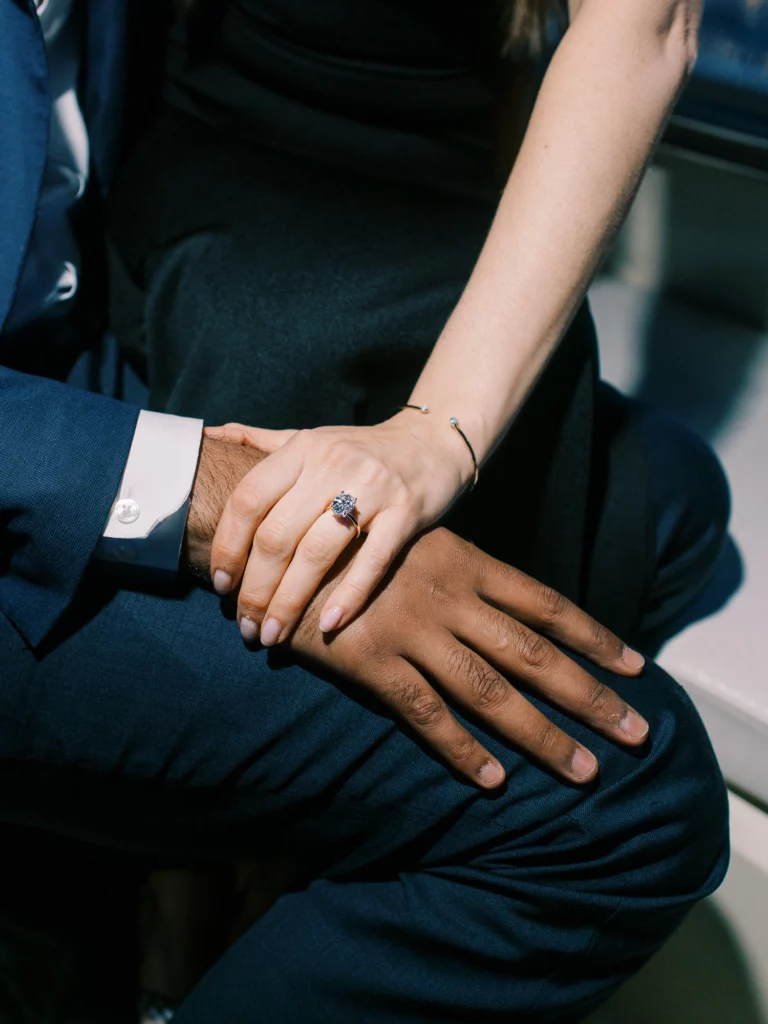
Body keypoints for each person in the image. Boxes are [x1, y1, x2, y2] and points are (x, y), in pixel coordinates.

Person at [0, 0, 729, 1022]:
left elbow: (629, 33)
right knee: (626, 797)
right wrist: (207, 491)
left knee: (675, 506)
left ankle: (241, 879)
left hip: (115, 339)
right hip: (91, 400)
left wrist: (436, 435)